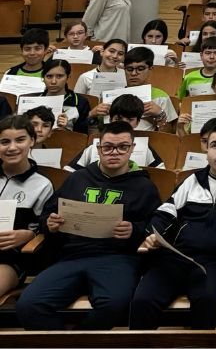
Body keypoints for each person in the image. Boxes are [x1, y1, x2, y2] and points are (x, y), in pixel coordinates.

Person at [16, 121, 160, 330]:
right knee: (29, 306)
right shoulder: (78, 178)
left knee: (115, 305)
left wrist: (134, 230)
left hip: (117, 258)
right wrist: (50, 224)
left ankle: (83, 338)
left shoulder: (144, 186)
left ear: (132, 149)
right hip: (72, 256)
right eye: (108, 147)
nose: (115, 152)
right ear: (98, 148)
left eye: (122, 147)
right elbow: (48, 214)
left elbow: (155, 226)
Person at [129, 120, 216, 330]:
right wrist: (152, 234)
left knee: (207, 300)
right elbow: (165, 212)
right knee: (142, 300)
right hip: (177, 256)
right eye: (214, 145)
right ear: (206, 150)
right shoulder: (192, 180)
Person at [0, 116, 53, 299]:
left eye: (20, 140)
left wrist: (30, 235)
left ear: (32, 141)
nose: (12, 147)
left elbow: (44, 229)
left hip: (10, 260)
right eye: (4, 142)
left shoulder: (42, 185)